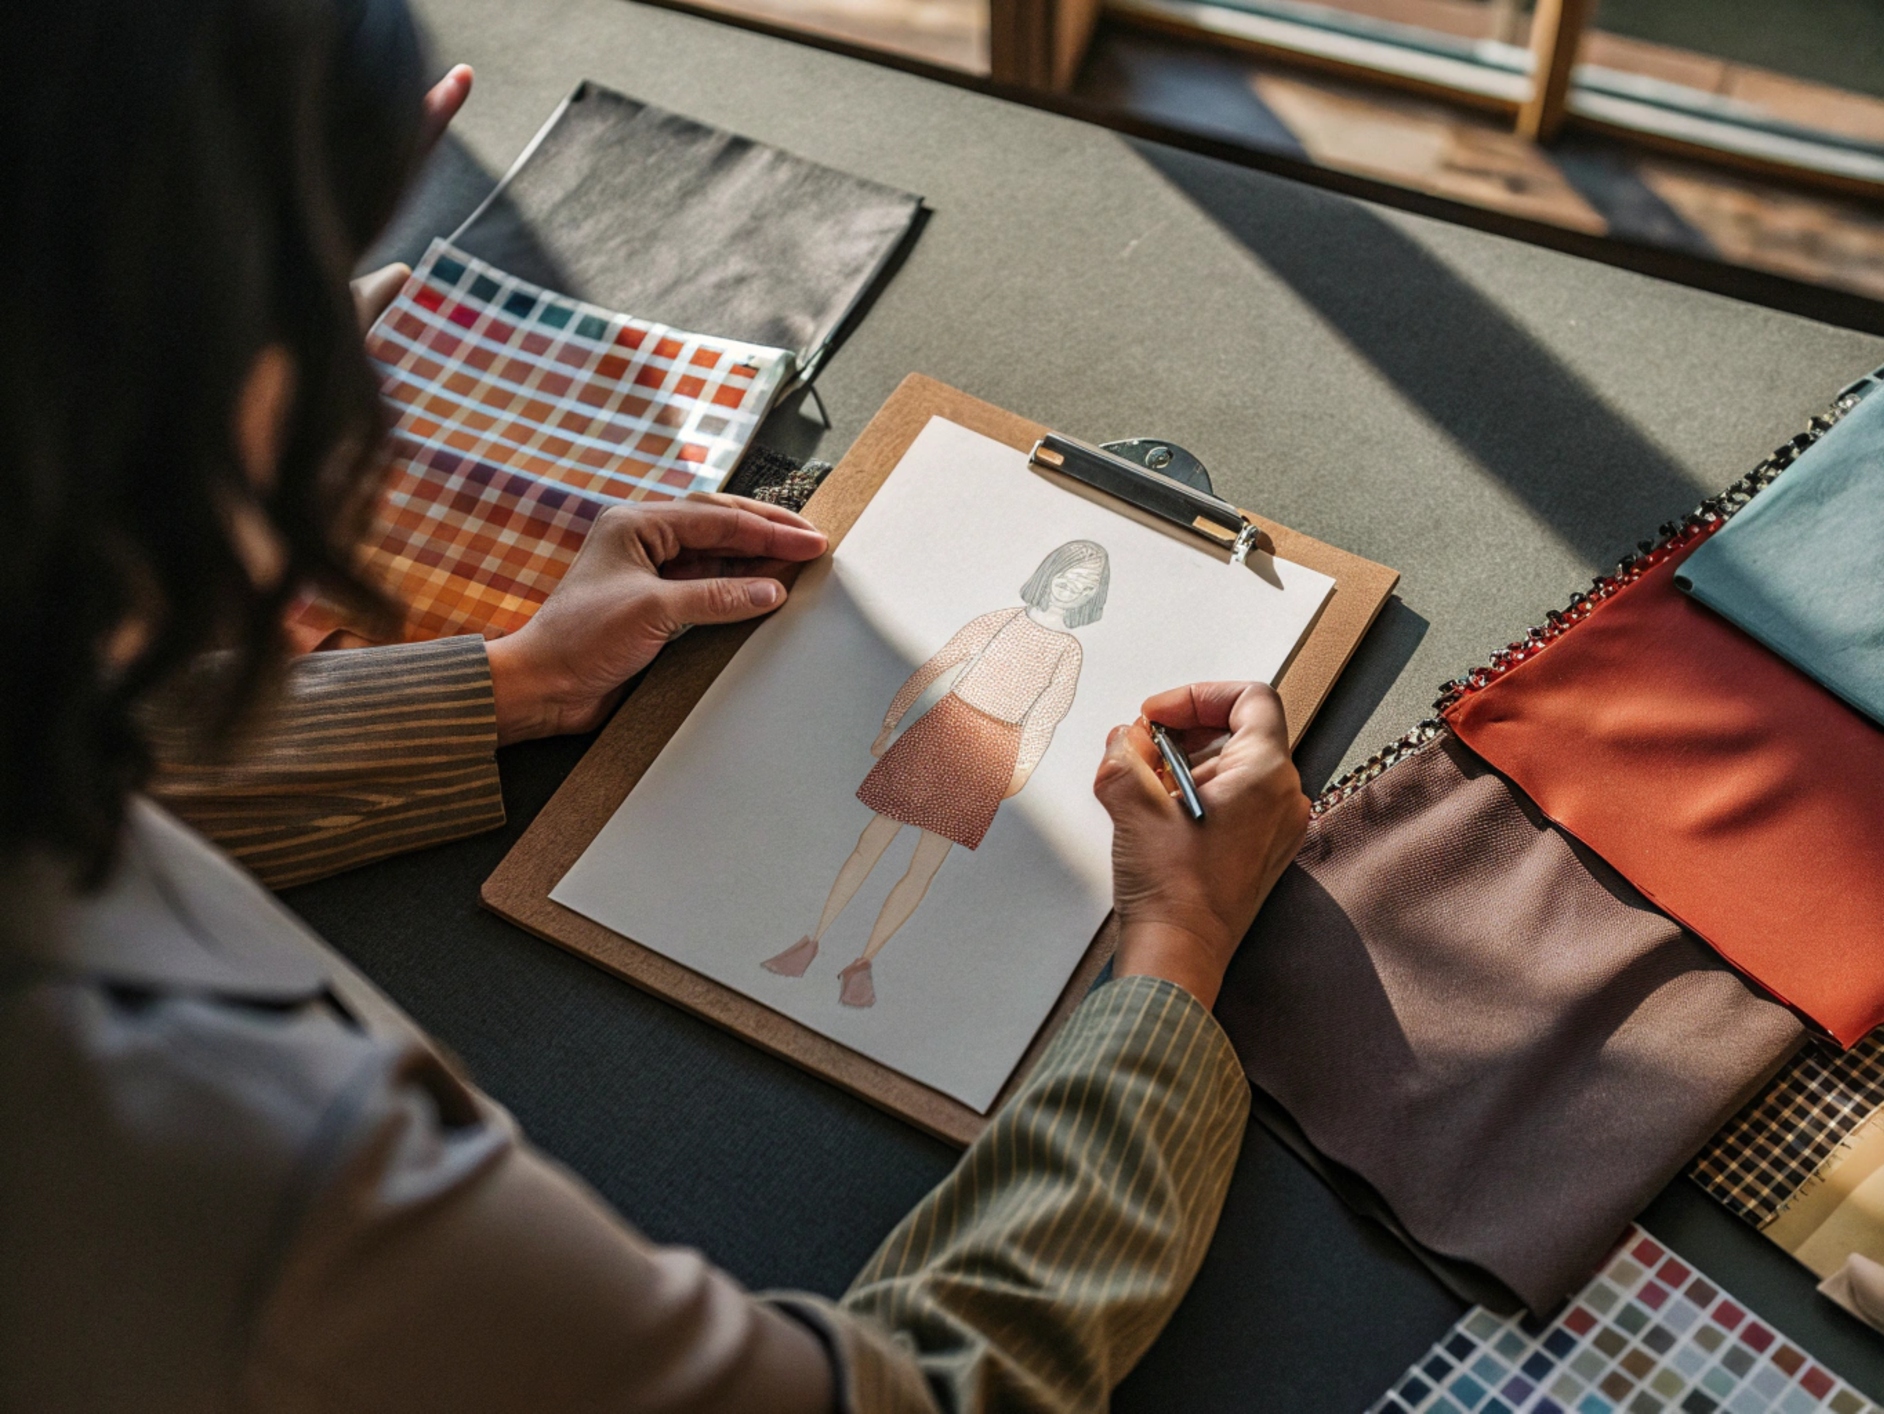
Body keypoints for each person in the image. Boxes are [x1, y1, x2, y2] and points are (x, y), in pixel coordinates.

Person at [0, 2, 1312, 1411]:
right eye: (330, 296)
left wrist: (518, 682)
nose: (372, 363)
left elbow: (84, 771)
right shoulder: (244, 1157)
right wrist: (1173, 952)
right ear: (136, 396)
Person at [765, 539, 1108, 1007]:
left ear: (1093, 595)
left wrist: (1022, 772)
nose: (1072, 589)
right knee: (870, 843)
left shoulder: (1068, 651)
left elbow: (1046, 719)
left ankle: (862, 963)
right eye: (1068, 577)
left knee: (923, 866)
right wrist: (891, 720)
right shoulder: (1000, 621)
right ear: (1051, 572)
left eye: (1084, 585)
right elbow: (937, 665)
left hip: (991, 753)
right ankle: (812, 940)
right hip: (941, 731)